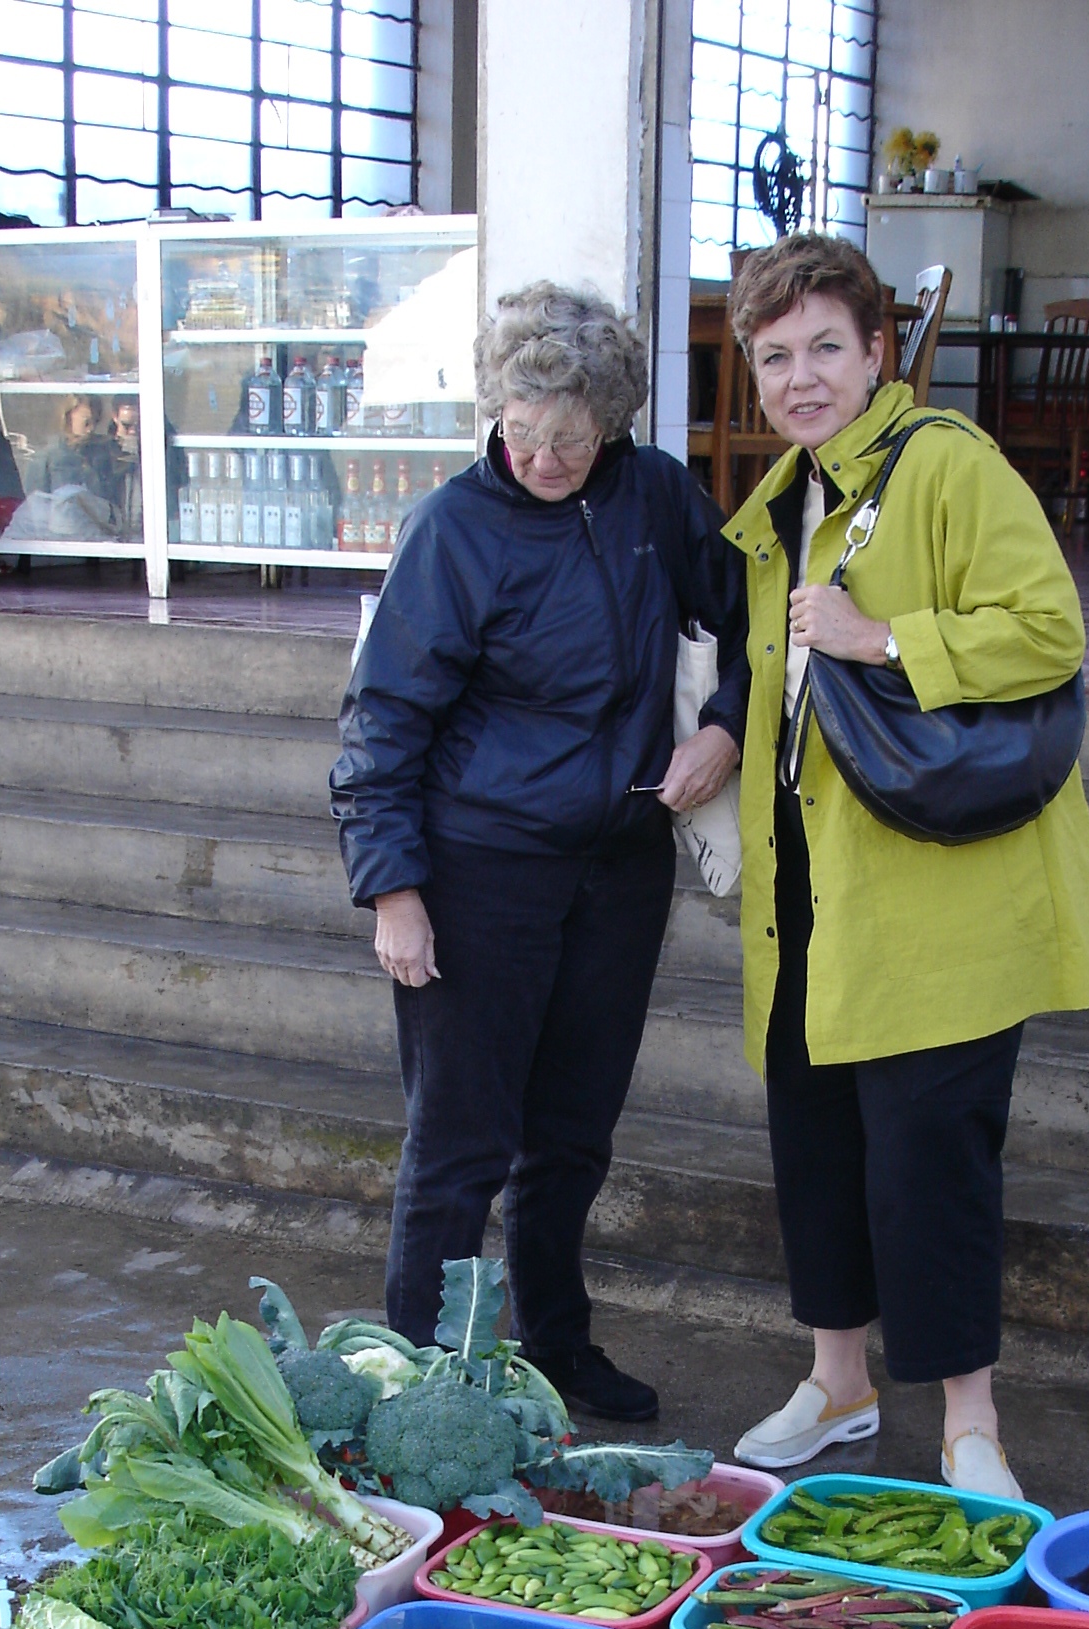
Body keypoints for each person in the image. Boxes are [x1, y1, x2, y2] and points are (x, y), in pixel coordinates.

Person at [721, 235, 1089, 1499]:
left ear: (879, 350)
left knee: (931, 1163)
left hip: (932, 897)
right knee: (820, 1149)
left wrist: (884, 636)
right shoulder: (788, 492)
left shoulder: (946, 464)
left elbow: (1049, 629)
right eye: (775, 357)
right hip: (808, 891)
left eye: (826, 346)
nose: (801, 376)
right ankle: (837, 1383)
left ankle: (969, 1426)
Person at [330, 282, 747, 1421]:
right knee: (459, 1146)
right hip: (481, 871)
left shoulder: (657, 495)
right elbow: (383, 721)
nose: (544, 454)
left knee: (571, 1138)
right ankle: (416, 1380)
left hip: (618, 865)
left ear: (612, 420)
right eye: (522, 426)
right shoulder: (452, 528)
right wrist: (394, 890)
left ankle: (557, 1346)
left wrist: (724, 727)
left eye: (571, 433)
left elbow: (748, 620)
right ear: (496, 406)